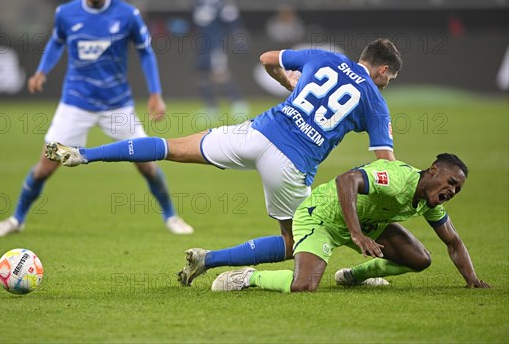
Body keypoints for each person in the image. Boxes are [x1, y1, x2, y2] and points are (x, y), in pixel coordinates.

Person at [45, 38, 402, 285]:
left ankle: (83, 153)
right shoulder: (375, 100)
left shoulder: (326, 58)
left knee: (170, 147)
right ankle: (209, 260)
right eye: (388, 81)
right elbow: (386, 164)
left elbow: (267, 58)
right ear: (383, 71)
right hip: (291, 165)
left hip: (256, 134)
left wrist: (289, 85)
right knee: (293, 243)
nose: (385, 86)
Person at [0, 0, 194, 237]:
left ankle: (171, 216)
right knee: (46, 165)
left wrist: (156, 93)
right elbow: (56, 42)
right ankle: (16, 219)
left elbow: (145, 52)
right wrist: (42, 71)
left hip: (117, 105)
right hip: (76, 103)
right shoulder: (66, 14)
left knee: (146, 163)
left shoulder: (127, 15)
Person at [211, 154, 490, 292]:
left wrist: (472, 280)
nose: (452, 191)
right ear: (433, 171)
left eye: (457, 190)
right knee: (303, 286)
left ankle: (353, 276)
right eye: (451, 183)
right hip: (322, 216)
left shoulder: (428, 200)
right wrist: (356, 234)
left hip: (367, 224)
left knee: (420, 259)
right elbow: (346, 180)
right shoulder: (396, 178)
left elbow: (453, 242)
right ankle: (247, 277)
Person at [191, 0, 249, 119]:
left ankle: (238, 102)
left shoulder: (222, 1)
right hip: (202, 44)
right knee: (202, 74)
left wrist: (238, 36)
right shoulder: (198, 0)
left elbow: (233, 22)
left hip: (217, 44)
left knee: (220, 74)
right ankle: (211, 107)